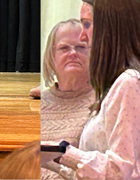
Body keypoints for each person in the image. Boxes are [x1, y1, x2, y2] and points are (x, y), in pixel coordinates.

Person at [58, 0, 140, 180]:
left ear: (111, 29)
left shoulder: (132, 83)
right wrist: (52, 158)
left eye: (87, 24)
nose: (82, 36)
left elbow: (116, 172)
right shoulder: (132, 82)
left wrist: (64, 153)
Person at [41, 20, 94, 180]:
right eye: (64, 48)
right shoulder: (38, 103)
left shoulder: (105, 102)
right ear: (51, 56)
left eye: (81, 47)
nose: (73, 53)